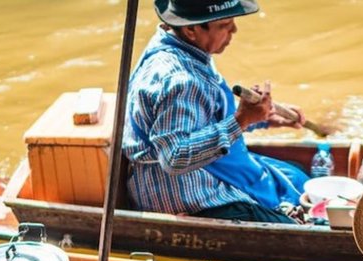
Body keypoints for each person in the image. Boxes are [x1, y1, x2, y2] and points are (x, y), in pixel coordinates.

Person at [123, 0, 308, 224]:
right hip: (183, 193)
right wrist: (240, 121)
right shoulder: (180, 80)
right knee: (292, 225)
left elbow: (203, 115)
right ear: (191, 29)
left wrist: (262, 118)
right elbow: (174, 158)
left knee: (297, 175)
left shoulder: (177, 46)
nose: (234, 30)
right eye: (226, 24)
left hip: (203, 171)